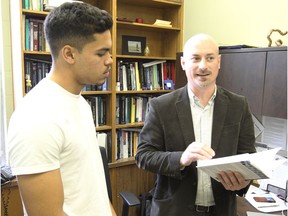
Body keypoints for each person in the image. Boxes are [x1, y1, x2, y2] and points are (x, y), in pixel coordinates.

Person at [7, 2, 115, 216]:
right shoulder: (36, 117)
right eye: (101, 53)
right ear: (69, 54)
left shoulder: (79, 102)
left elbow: (93, 189)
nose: (110, 60)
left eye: (109, 52)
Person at [135, 33, 256, 216]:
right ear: (183, 63)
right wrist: (181, 159)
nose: (203, 66)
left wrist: (244, 181)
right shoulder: (161, 106)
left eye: (209, 58)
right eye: (196, 58)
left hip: (222, 210)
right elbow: (143, 155)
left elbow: (248, 158)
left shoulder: (239, 105)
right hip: (173, 211)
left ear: (219, 62)